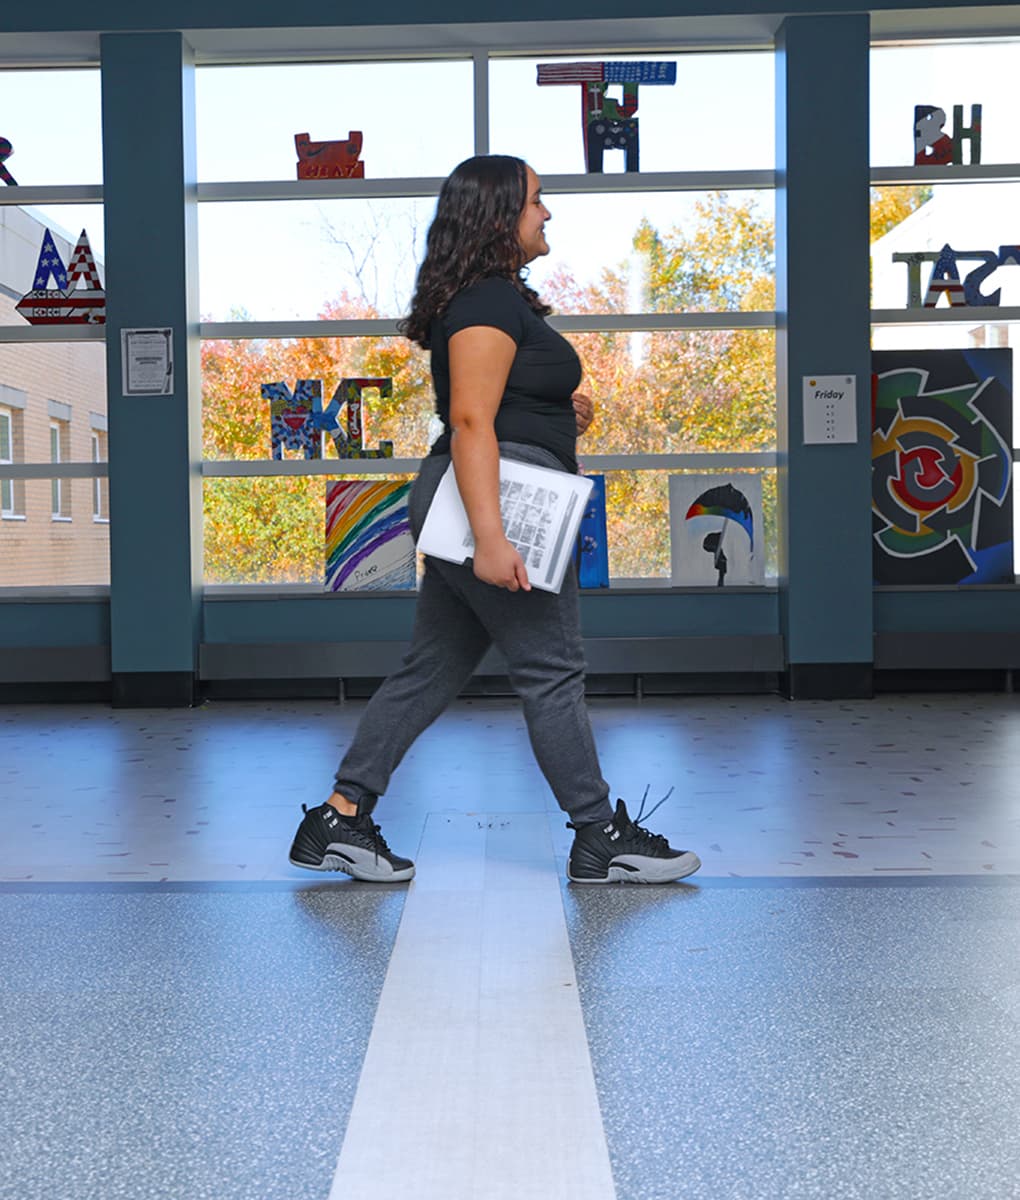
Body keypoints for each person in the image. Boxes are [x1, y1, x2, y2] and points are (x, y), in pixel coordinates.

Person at [288, 154, 701, 886]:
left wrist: (555, 411)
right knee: (551, 668)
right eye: (537, 201)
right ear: (498, 214)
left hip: (492, 490)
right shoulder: (483, 300)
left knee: (432, 667)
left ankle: (341, 816)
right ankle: (598, 834)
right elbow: (472, 418)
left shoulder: (495, 298)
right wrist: (490, 538)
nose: (548, 213)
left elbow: (497, 404)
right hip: (494, 501)